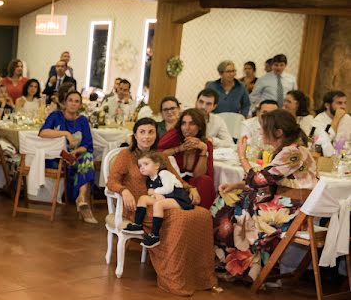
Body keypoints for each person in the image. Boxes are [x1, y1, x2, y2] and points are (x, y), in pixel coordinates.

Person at [106, 118, 214, 296]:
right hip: (138, 206)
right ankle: (175, 279)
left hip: (162, 201)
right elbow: (112, 181)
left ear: (156, 135)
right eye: (142, 132)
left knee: (202, 215)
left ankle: (201, 276)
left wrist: (190, 187)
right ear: (135, 135)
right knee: (179, 218)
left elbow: (175, 179)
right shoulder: (126, 155)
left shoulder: (160, 156)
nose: (146, 136)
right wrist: (124, 191)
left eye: (151, 132)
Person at [211, 109, 318, 282]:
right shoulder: (292, 149)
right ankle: (247, 266)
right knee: (233, 200)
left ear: (278, 132)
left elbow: (260, 180)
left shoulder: (292, 152)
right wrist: (237, 184)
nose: (260, 132)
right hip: (289, 203)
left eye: (264, 128)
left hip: (293, 210)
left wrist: (242, 157)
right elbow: (268, 179)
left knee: (232, 208)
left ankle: (245, 267)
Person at [39, 90, 97, 223]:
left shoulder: (82, 120)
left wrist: (75, 152)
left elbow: (87, 145)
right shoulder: (56, 116)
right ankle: (82, 201)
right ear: (65, 102)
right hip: (57, 158)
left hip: (73, 157)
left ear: (80, 105)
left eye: (77, 101)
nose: (73, 104)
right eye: (70, 100)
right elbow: (43, 133)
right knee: (86, 162)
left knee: (87, 157)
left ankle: (81, 198)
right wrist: (65, 133)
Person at [124, 151, 195, 248]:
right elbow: (158, 194)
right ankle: (137, 224)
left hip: (179, 198)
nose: (142, 167)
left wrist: (154, 192)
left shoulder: (164, 173)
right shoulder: (150, 180)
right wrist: (155, 195)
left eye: (146, 164)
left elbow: (168, 189)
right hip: (167, 198)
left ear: (157, 165)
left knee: (158, 205)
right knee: (143, 198)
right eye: (140, 165)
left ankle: (155, 235)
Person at [158, 109, 216, 208]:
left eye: (192, 124)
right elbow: (158, 155)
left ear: (200, 126)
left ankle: (201, 216)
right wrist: (179, 149)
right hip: (172, 179)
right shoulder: (174, 136)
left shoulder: (206, 144)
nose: (186, 128)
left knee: (205, 181)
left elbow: (199, 175)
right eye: (183, 123)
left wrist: (203, 151)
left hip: (192, 182)